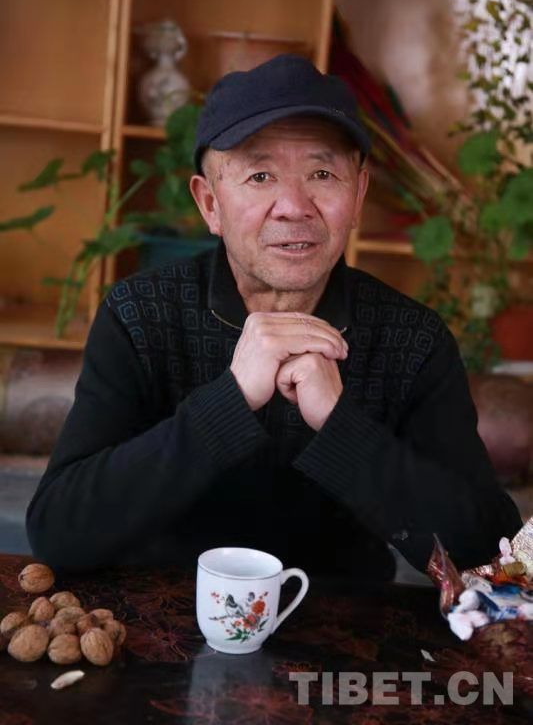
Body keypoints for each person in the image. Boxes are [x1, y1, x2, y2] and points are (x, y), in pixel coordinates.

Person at [26, 54, 521, 577]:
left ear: (358, 195)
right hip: (160, 614)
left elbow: (491, 553)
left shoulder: (412, 340)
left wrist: (341, 426)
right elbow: (59, 533)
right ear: (210, 203)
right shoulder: (140, 315)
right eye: (260, 175)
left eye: (322, 173)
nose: (293, 206)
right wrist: (229, 403)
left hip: (344, 623)